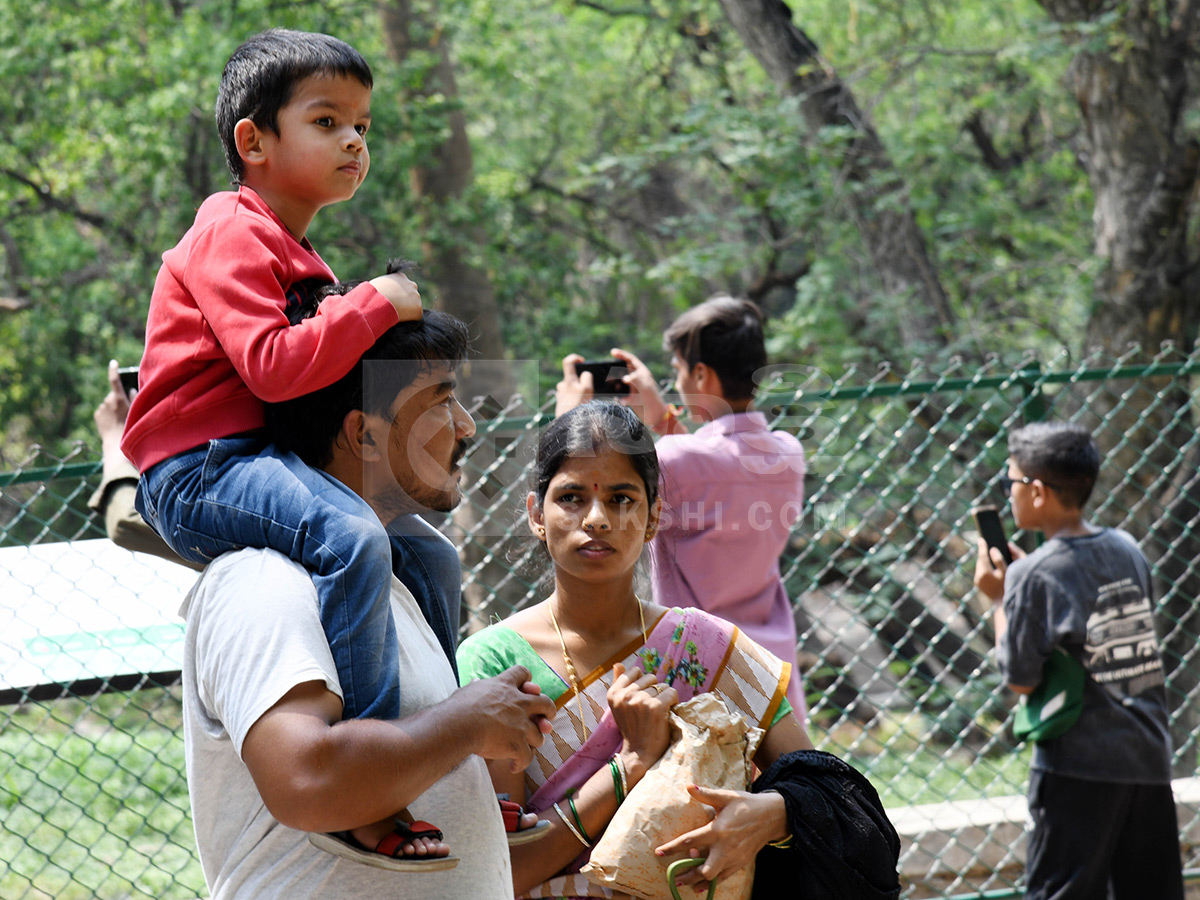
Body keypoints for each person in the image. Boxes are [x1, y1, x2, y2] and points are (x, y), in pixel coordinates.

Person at [181, 306, 559, 899]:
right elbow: (307, 779)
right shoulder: (265, 583)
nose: (467, 426)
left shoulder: (392, 578)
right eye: (440, 400)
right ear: (365, 434)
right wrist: (467, 721)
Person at [458, 401, 899, 899]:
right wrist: (629, 766)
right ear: (537, 514)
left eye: (623, 498)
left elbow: (827, 795)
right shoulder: (497, 666)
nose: (598, 518)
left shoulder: (708, 647)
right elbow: (503, 869)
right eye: (572, 497)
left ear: (653, 519)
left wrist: (771, 814)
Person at [121, 28, 420, 727]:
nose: (354, 141)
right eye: (327, 122)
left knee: (424, 547)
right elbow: (274, 369)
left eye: (361, 126)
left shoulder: (296, 250)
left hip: (261, 460)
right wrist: (373, 302)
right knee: (355, 538)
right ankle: (372, 757)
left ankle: (449, 731)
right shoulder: (230, 228)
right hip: (200, 470)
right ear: (252, 142)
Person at [556, 295, 808, 718]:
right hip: (772, 671)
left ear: (702, 374)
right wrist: (664, 418)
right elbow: (718, 471)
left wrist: (570, 416)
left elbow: (594, 490)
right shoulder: (788, 454)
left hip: (701, 672)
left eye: (678, 370)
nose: (676, 380)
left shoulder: (676, 459)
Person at [973, 422, 1183, 900]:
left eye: (1011, 483)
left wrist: (998, 600)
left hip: (1077, 767)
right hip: (1147, 756)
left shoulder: (1031, 575)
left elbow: (1020, 680)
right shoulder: (1127, 548)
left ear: (1039, 492)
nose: (1009, 494)